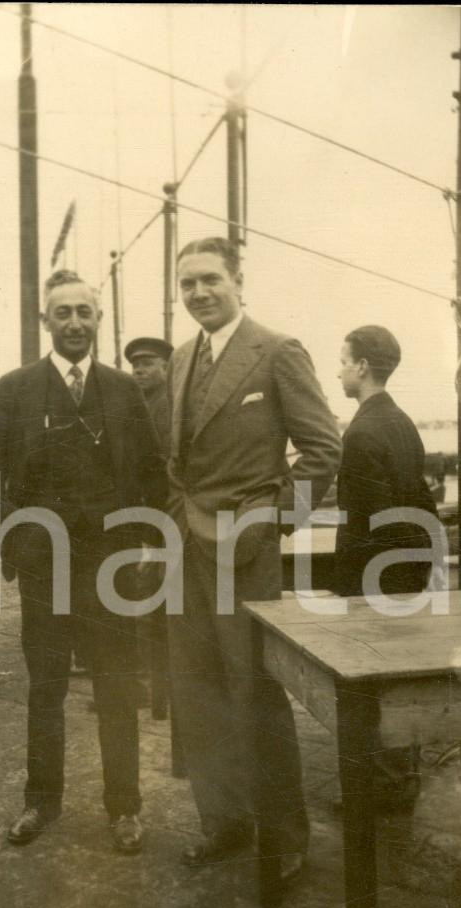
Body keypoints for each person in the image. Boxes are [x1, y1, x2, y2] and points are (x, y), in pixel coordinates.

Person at [166, 236, 342, 873]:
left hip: (246, 553)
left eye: (210, 279)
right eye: (187, 284)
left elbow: (323, 449)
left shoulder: (276, 351)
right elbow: (177, 459)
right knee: (196, 693)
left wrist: (270, 523)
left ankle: (284, 843)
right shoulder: (182, 357)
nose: (199, 293)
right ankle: (225, 822)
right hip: (185, 549)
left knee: (256, 696)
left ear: (238, 281)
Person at [0, 270, 167, 854]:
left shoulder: (121, 389)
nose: (75, 323)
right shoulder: (16, 388)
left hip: (108, 567)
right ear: (46, 322)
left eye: (85, 312)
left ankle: (125, 809)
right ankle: (41, 801)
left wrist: (141, 544)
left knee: (116, 687)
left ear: (99, 320)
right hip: (44, 566)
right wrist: (16, 537)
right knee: (46, 687)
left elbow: (148, 475)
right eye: (63, 313)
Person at [334, 325, 441, 811]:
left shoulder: (361, 431)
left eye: (343, 361)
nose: (339, 370)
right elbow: (418, 500)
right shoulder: (402, 422)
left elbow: (369, 522)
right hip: (406, 569)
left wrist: (349, 589)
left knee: (364, 689)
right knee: (399, 685)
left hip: (374, 575)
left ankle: (375, 794)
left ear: (361, 367)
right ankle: (399, 782)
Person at [124, 336, 185, 773]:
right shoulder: (135, 407)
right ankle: (153, 692)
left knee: (155, 611)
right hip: (141, 520)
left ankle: (156, 692)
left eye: (148, 364)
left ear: (166, 367)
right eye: (136, 365)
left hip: (164, 521)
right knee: (146, 609)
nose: (140, 371)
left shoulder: (171, 409)